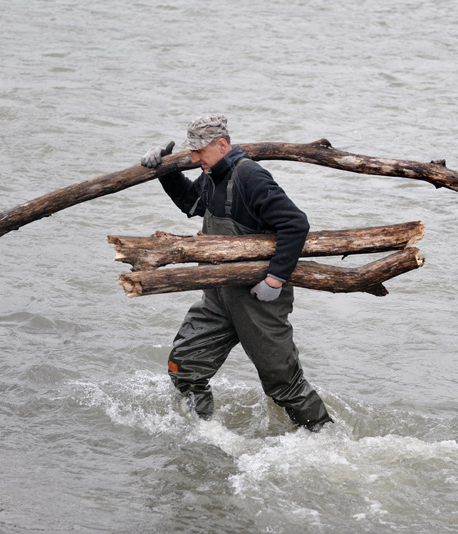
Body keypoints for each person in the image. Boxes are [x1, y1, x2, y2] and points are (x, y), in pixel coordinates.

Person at [141, 114, 333, 431]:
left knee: (283, 384)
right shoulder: (212, 175)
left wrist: (274, 280)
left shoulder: (250, 176)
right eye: (190, 152)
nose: (193, 158)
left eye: (199, 151)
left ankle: (325, 438)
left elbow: (295, 223)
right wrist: (165, 171)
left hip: (259, 299)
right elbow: (192, 202)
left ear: (222, 144)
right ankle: (204, 434)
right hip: (217, 297)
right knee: (184, 367)